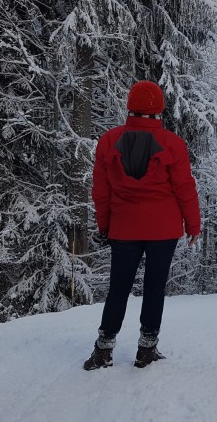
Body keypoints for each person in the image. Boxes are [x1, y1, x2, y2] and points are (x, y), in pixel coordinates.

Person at [83, 80, 202, 370]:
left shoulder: (109, 141)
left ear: (130, 105)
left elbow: (101, 190)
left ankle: (103, 349)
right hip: (163, 230)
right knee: (154, 289)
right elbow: (185, 188)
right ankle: (146, 350)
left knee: (118, 289)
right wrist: (193, 225)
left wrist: (105, 225)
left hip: (124, 228)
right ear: (159, 107)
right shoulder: (173, 144)